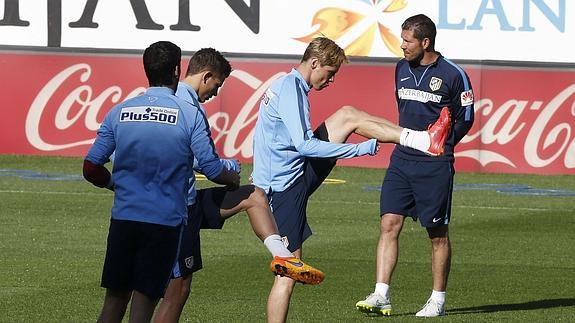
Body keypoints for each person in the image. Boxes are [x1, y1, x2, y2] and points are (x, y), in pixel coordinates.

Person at [251, 36, 452, 323]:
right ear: (315, 62)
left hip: (290, 174)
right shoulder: (290, 90)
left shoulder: (288, 84)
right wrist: (359, 149)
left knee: (347, 115)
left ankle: (421, 139)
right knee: (288, 272)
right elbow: (305, 145)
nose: (331, 81)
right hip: (283, 189)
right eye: (330, 73)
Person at [153, 48, 324, 323]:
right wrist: (230, 170)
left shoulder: (159, 103)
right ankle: (283, 256)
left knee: (254, 196)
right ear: (207, 76)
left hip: (173, 203)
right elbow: (204, 164)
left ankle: (283, 256)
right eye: (217, 85)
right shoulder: (187, 108)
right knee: (174, 290)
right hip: (178, 208)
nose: (216, 93)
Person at [83, 41, 241, 322]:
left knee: (114, 301)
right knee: (143, 305)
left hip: (124, 219)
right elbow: (211, 168)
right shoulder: (189, 113)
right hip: (164, 223)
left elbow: (91, 167)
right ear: (178, 70)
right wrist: (232, 177)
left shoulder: (119, 112)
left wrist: (113, 184)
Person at [355, 14, 475, 317]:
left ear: (425, 42)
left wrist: (444, 146)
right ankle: (381, 294)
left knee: (437, 234)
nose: (402, 45)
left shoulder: (453, 74)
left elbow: (467, 118)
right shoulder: (400, 68)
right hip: (402, 159)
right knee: (388, 224)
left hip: (434, 165)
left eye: (407, 40)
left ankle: (438, 299)